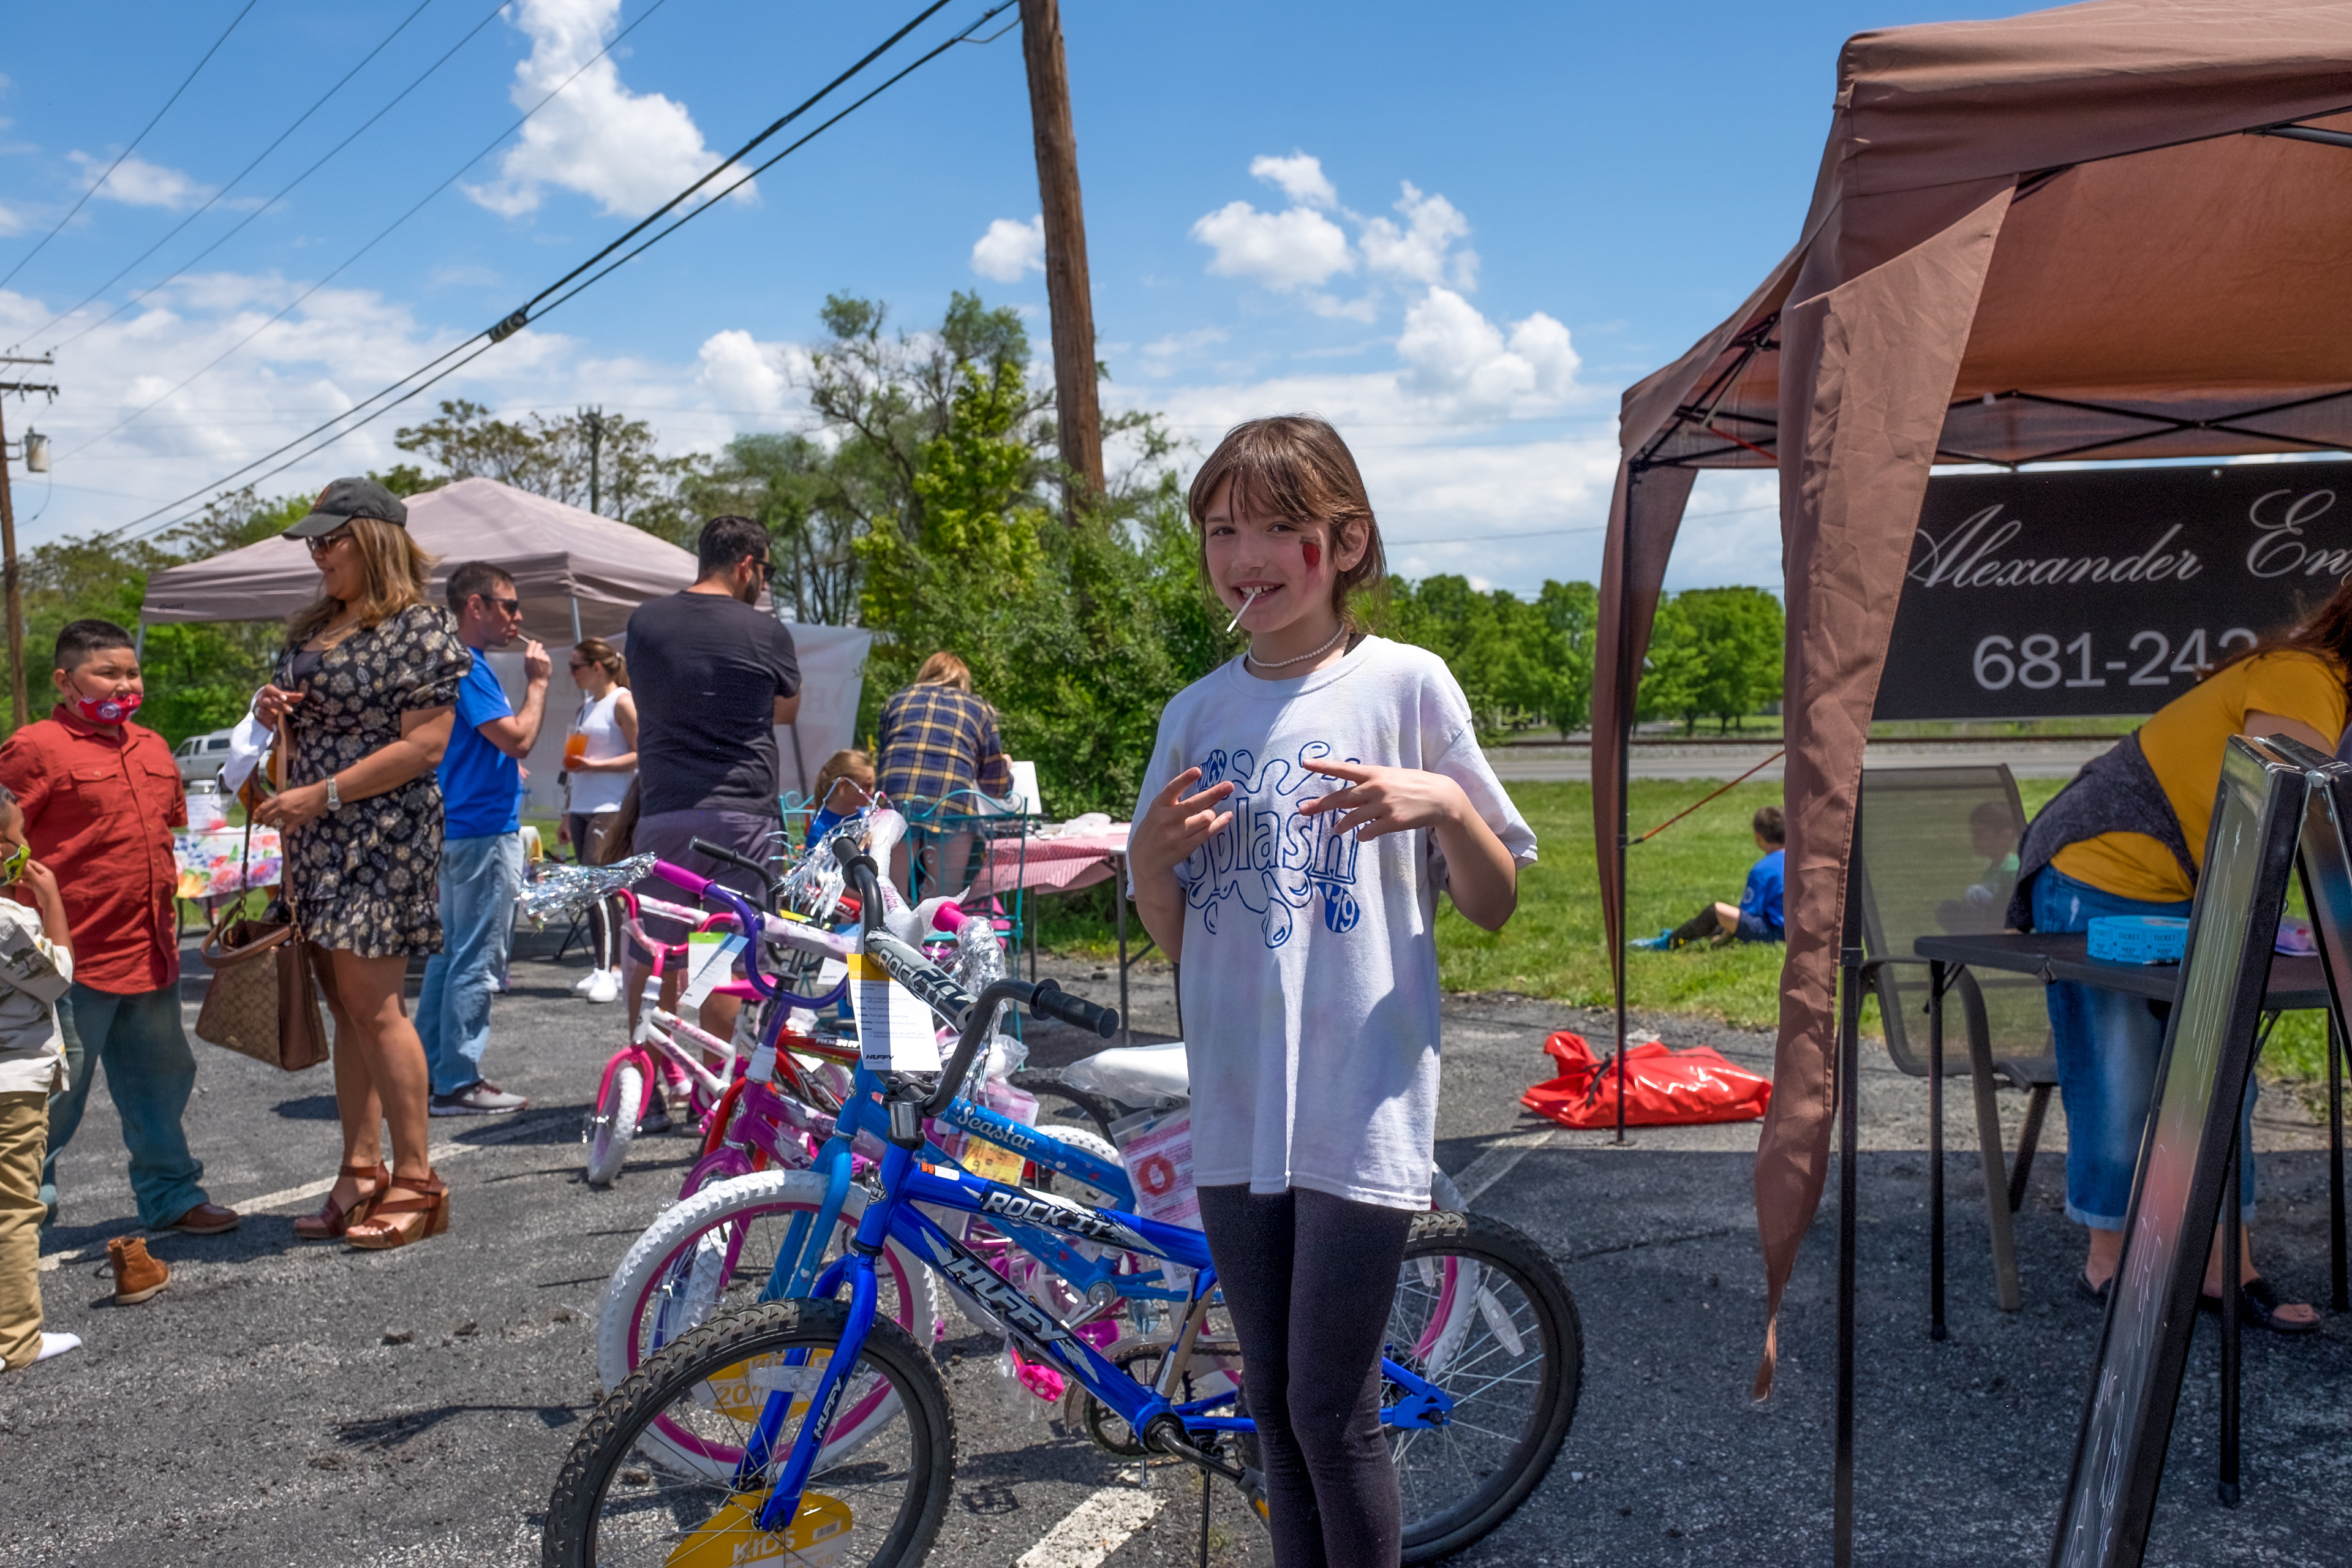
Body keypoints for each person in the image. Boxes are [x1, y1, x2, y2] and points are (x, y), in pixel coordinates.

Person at [1127, 416, 1536, 1568]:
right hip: (1236, 1100)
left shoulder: (1405, 684)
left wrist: (1445, 808)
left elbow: (1496, 901)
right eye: (1221, 531)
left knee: (1329, 1408)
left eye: (1277, 528)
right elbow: (1178, 931)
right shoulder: (1194, 714)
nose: (1244, 555)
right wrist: (1149, 864)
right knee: (1270, 1405)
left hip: (1360, 1099)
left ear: (1345, 542)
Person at [2010, 589, 2352, 1331]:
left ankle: (2224, 1266)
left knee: (2221, 1073)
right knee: (2124, 1073)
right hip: (2101, 872)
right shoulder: (2306, 677)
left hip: (2185, 888)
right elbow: (2287, 817)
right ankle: (2111, 1260)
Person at [253, 477, 470, 1250]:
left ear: (372, 540)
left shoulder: (420, 626)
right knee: (347, 1007)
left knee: (377, 1008)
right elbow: (303, 717)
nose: (317, 554)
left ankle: (418, 1179)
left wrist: (323, 794)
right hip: (315, 835)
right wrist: (270, 708)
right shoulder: (316, 624)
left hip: (382, 833)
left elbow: (427, 746)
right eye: (313, 542)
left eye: (329, 540)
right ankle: (359, 1169)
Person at [0, 619, 238, 1239]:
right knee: (55, 1097)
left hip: (150, 951)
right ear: (65, 680)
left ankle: (172, 1195)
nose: (125, 684)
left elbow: (166, 832)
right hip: (66, 964)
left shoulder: (154, 747)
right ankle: (18, 1218)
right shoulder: (35, 747)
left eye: (132, 672)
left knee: (161, 1083)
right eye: (107, 673)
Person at [625, 515, 799, 1047]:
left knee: (654, 951)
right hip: (741, 814)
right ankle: (715, 1078)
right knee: (723, 953)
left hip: (664, 809)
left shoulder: (646, 623)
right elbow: (788, 710)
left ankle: (650, 1073)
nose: (764, 584)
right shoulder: (766, 631)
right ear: (746, 565)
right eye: (766, 572)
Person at [415, 562, 548, 1115]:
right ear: (476, 605)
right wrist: (538, 684)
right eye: (508, 605)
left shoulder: (449, 661)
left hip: (458, 828)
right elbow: (517, 739)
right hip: (483, 833)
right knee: (476, 959)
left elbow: (484, 745)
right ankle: (457, 1080)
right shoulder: (467, 664)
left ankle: (428, 1074)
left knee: (449, 957)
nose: (517, 616)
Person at [0, 783, 81, 1368]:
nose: (25, 846)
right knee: (13, 1208)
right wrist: (51, 899)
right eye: (17, 836)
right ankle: (16, 1339)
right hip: (13, 1083)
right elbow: (58, 977)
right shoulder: (8, 922)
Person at [876, 652, 1014, 894]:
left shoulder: (896, 701)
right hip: (951, 804)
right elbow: (995, 786)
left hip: (897, 802)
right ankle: (939, 912)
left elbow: (885, 757)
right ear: (963, 680)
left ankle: (892, 915)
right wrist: (1006, 767)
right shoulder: (978, 709)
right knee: (943, 895)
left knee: (891, 893)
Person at [560, 638, 637, 1005]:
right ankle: (606, 966)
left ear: (597, 667)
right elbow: (573, 766)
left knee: (597, 886)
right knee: (590, 888)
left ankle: (609, 970)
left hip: (612, 805)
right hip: (582, 805)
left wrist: (597, 766)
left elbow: (642, 753)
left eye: (576, 667)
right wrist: (566, 811)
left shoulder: (622, 701)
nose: (571, 674)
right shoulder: (584, 708)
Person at [1632, 805, 1785, 949]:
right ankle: (1683, 935)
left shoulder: (1763, 870)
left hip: (1777, 934)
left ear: (1758, 837)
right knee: (1726, 916)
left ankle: (1667, 944)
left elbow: (1747, 915)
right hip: (1794, 930)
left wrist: (1722, 940)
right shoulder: (1795, 861)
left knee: (1717, 912)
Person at [804, 748, 873, 848]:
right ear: (843, 786)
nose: (872, 790)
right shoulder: (821, 828)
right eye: (867, 785)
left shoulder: (867, 818)